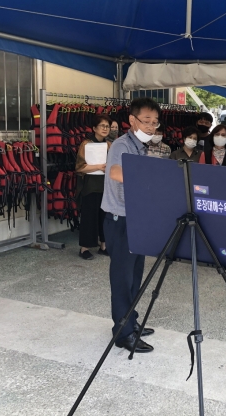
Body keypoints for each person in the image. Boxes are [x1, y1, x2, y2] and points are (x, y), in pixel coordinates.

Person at [101, 97, 160, 354]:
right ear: (132, 120)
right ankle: (123, 333)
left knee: (135, 276)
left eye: (155, 122)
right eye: (146, 121)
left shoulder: (140, 147)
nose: (151, 127)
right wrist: (150, 179)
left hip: (136, 218)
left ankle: (130, 321)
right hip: (120, 219)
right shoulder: (122, 144)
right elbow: (115, 172)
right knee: (122, 279)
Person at [75, 114, 112, 260]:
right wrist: (99, 167)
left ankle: (104, 246)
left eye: (107, 126)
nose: (105, 128)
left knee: (105, 217)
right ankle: (84, 248)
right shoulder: (86, 144)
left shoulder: (109, 145)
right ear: (94, 128)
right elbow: (79, 167)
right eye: (102, 126)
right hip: (90, 186)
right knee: (89, 218)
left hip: (106, 186)